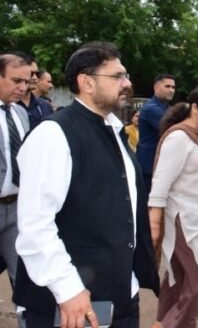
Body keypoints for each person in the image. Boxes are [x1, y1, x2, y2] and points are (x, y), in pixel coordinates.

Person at [14, 42, 160, 328]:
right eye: (117, 76)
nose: (127, 84)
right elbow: (35, 225)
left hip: (119, 293)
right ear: (86, 82)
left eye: (125, 75)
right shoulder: (54, 135)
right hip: (73, 300)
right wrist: (67, 288)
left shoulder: (113, 131)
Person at [148, 85, 198, 328]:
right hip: (182, 217)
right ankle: (177, 324)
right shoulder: (179, 137)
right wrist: (155, 223)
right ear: (195, 107)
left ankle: (162, 322)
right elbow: (160, 182)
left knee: (178, 275)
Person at [0, 52, 33, 294]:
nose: (23, 88)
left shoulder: (20, 113)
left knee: (24, 278)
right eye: (16, 81)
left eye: (26, 81)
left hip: (17, 209)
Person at [138, 73, 176, 188]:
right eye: (167, 86)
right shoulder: (152, 108)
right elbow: (174, 129)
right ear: (156, 87)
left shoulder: (167, 108)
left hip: (158, 163)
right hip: (149, 165)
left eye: (173, 87)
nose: (171, 90)